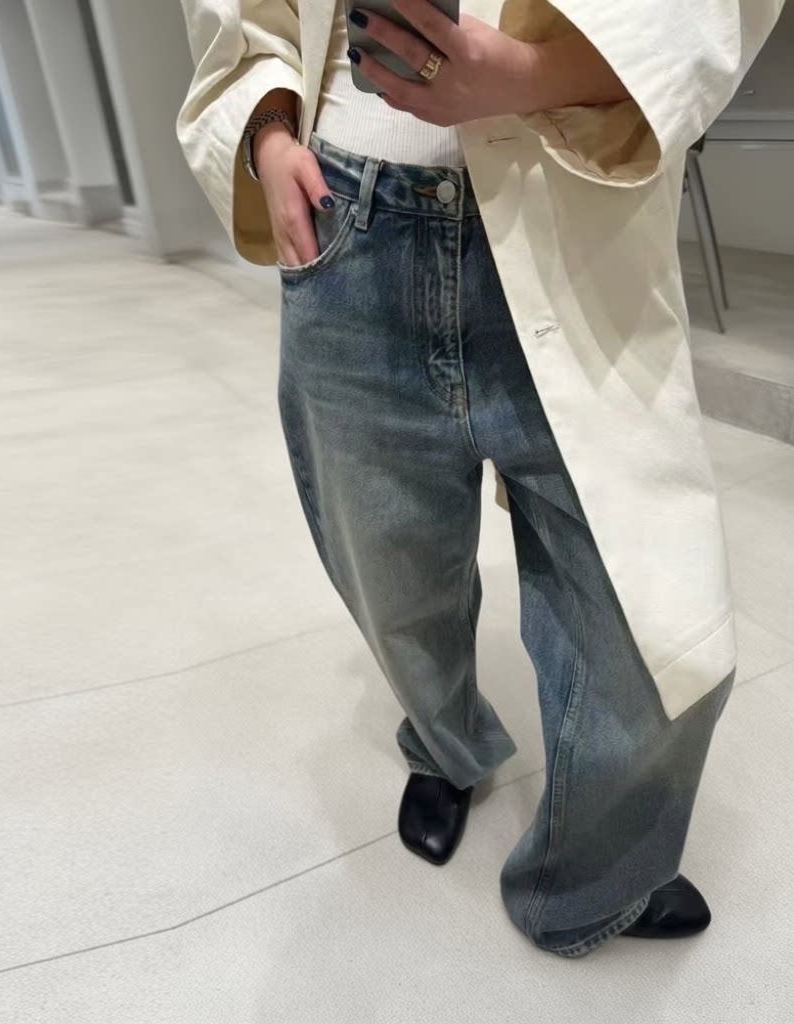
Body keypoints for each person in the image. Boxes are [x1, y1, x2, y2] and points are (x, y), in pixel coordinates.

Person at [177, 0, 784, 957]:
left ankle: (593, 869)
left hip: (572, 207)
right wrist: (269, 132)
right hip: (348, 220)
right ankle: (445, 744)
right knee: (393, 574)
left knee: (644, 614)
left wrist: (529, 76)